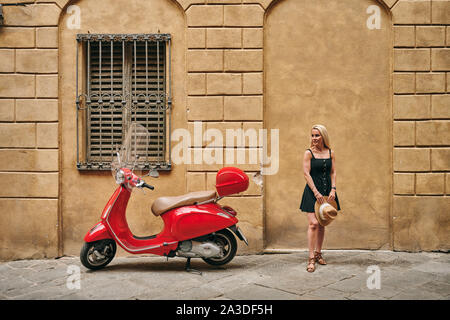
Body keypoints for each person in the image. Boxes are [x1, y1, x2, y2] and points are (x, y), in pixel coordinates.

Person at [300, 124, 340, 272]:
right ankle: (311, 258)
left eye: (317, 135)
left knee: (323, 223)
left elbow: (333, 172)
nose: (314, 138)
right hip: (312, 191)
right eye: (312, 135)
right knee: (313, 224)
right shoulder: (308, 153)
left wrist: (333, 189)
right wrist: (316, 192)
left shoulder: (330, 152)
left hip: (328, 191)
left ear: (323, 136)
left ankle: (318, 253)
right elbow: (306, 173)